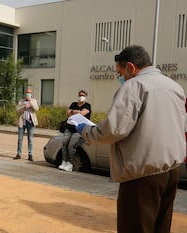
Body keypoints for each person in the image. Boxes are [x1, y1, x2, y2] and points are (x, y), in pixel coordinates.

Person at [77, 45, 186, 233]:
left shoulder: (134, 86)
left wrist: (86, 130)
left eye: (120, 72)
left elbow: (114, 129)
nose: (121, 77)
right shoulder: (174, 87)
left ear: (130, 67)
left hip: (142, 175)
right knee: (161, 227)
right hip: (171, 170)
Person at [58, 89, 91, 172]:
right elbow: (68, 113)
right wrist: (76, 111)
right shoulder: (73, 104)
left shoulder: (87, 105)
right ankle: (64, 162)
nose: (81, 97)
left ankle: (70, 163)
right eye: (80, 95)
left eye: (83, 95)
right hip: (70, 128)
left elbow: (83, 113)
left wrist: (74, 111)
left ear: (85, 97)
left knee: (71, 146)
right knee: (64, 143)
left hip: (79, 130)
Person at [13, 88, 39, 161]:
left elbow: (36, 109)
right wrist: (24, 107)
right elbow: (17, 110)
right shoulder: (21, 101)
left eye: (29, 93)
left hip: (30, 122)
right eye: (27, 93)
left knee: (30, 139)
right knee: (20, 139)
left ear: (31, 94)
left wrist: (30, 102)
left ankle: (30, 155)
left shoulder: (34, 101)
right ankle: (18, 154)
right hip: (22, 122)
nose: (28, 94)